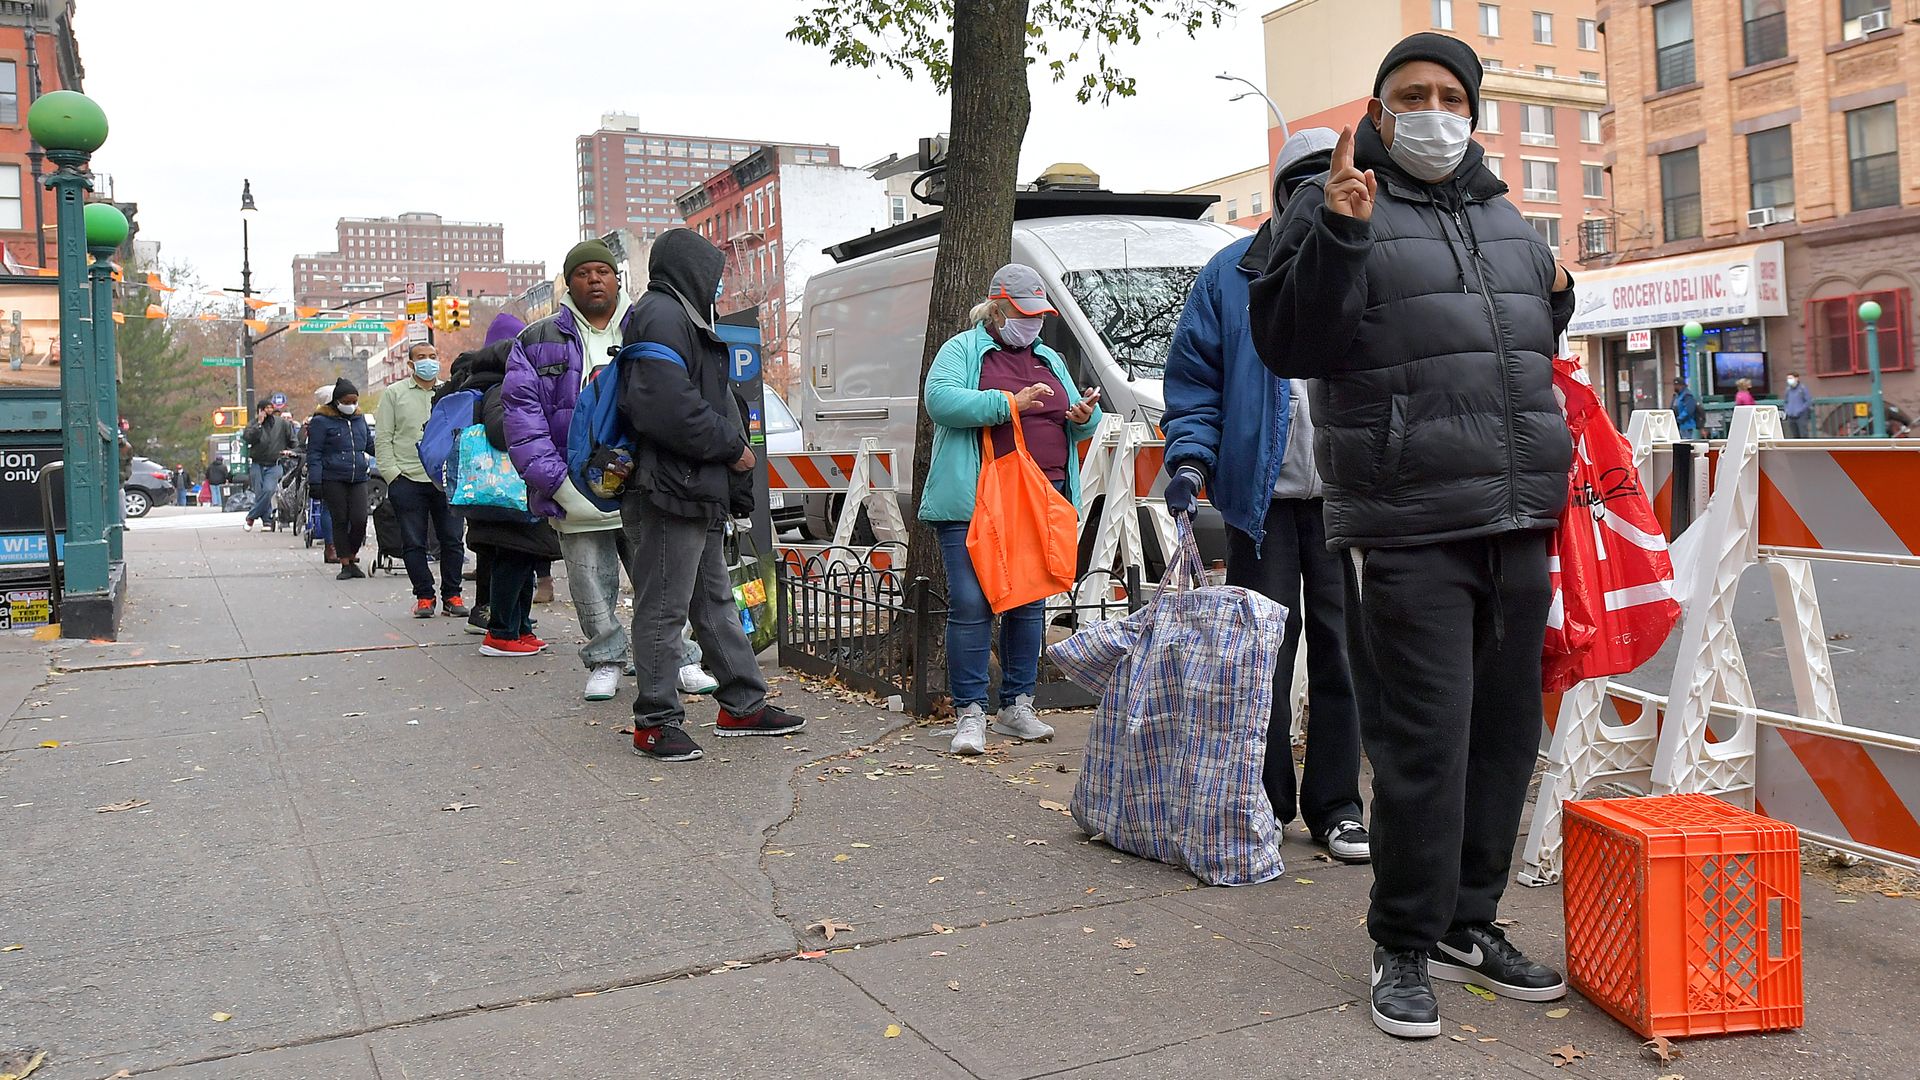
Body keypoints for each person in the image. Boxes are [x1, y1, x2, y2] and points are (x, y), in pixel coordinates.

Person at [1249, 33, 1575, 1038]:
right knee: (1424, 740)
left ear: (1470, 112)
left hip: (1518, 517)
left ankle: (1468, 922)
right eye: (1410, 95)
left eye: (1449, 95)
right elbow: (1286, 343)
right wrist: (1340, 236)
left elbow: (1519, 346)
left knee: (1505, 737)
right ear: (1381, 111)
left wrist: (1562, 295)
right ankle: (1402, 938)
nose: (1432, 110)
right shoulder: (1337, 201)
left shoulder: (1508, 220)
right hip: (1408, 518)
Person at [1162, 127, 1370, 866]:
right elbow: (1194, 383)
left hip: (1350, 499)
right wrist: (1189, 461)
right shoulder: (1229, 275)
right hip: (1261, 501)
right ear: (1280, 195)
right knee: (1264, 658)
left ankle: (1339, 805)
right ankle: (1265, 795)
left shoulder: (1369, 260)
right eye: (1301, 182)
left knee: (1347, 655)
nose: (1315, 193)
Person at [617, 229, 809, 761]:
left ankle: (741, 704)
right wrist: (733, 449)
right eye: (714, 273)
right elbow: (662, 405)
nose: (720, 284)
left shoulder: (676, 314)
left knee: (711, 598)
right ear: (692, 271)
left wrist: (731, 470)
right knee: (663, 607)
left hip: (689, 485)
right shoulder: (661, 313)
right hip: (667, 487)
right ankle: (655, 722)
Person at [920, 264, 1103, 756]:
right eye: (1025, 314)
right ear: (997, 309)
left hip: (1042, 494)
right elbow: (940, 401)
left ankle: (1016, 705)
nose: (1034, 324)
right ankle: (970, 712)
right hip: (976, 497)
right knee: (972, 602)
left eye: (1040, 315)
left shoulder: (1050, 356)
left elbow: (1077, 424)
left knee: (1029, 599)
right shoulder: (962, 349)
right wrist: (1009, 403)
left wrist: (1083, 418)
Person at [504, 240, 643, 702]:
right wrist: (557, 484)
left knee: (660, 576)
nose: (595, 279)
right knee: (588, 580)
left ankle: (673, 655)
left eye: (603, 270)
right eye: (583, 272)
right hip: (573, 485)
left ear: (617, 278)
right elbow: (523, 418)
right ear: (570, 282)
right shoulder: (537, 340)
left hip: (643, 482)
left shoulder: (647, 326)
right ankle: (606, 658)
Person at [444, 315, 562, 656]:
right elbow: (500, 431)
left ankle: (520, 628)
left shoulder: (495, 386)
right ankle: (501, 633)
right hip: (508, 495)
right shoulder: (502, 388)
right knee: (513, 562)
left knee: (523, 563)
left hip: (506, 494)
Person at [376, 341, 469, 619]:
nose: (428, 362)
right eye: (421, 358)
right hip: (408, 478)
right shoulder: (394, 394)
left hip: (445, 479)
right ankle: (424, 596)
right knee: (414, 542)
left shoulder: (450, 393)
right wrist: (393, 475)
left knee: (452, 539)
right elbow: (383, 438)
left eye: (432, 356)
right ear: (410, 364)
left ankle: (452, 594)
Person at [307, 378, 375, 580]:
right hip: (333, 477)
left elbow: (369, 445)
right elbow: (315, 453)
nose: (351, 405)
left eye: (354, 401)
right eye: (347, 401)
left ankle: (353, 555)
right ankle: (345, 562)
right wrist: (315, 481)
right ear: (336, 401)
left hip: (358, 476)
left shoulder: (359, 419)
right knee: (340, 519)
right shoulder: (321, 421)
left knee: (360, 519)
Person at [243, 402, 294, 531]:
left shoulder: (282, 424)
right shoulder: (253, 424)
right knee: (259, 493)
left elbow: (293, 441)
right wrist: (259, 424)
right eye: (266, 408)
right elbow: (248, 438)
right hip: (257, 462)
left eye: (271, 408)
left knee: (269, 490)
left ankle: (251, 517)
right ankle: (267, 520)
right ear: (260, 410)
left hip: (275, 462)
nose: (269, 410)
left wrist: (292, 451)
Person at [1783, 372, 1813, 437]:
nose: (1789, 380)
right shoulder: (1787, 390)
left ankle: (1805, 447)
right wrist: (1787, 410)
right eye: (1788, 378)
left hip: (1801, 415)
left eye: (1791, 378)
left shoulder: (1802, 388)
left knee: (1803, 434)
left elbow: (1808, 401)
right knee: (1794, 435)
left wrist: (1801, 409)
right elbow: (1785, 401)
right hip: (1791, 416)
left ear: (1796, 378)